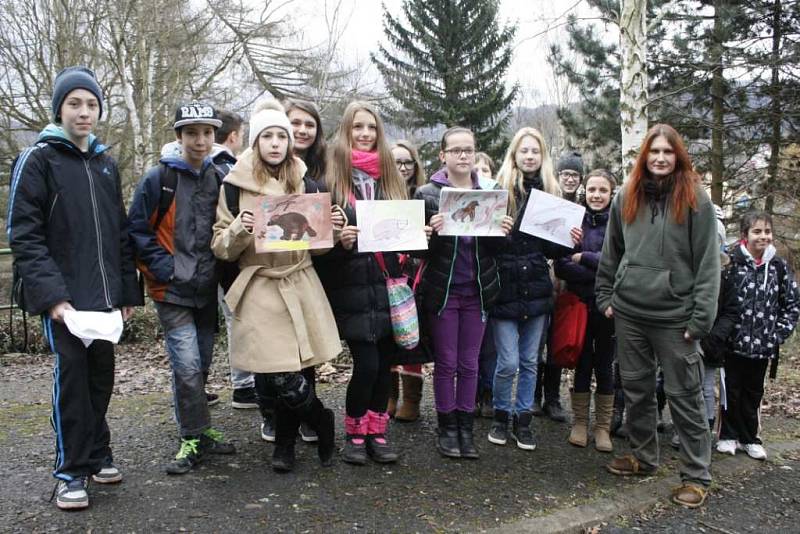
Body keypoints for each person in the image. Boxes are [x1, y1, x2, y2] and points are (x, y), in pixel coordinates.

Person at [7, 66, 141, 510]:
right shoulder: (39, 160)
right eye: (74, 103)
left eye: (91, 104)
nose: (84, 113)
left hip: (104, 303)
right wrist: (54, 299)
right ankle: (70, 471)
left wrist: (126, 294)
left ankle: (97, 450)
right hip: (65, 303)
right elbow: (24, 235)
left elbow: (120, 234)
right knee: (72, 382)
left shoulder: (105, 164)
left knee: (100, 381)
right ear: (59, 109)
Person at [211, 98, 343, 472]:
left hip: (300, 281)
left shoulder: (307, 182)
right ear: (255, 142)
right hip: (261, 286)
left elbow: (319, 249)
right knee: (276, 370)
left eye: (280, 136)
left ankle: (285, 445)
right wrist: (241, 227)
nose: (274, 143)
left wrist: (330, 227)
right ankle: (318, 419)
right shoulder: (233, 186)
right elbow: (221, 246)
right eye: (266, 136)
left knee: (300, 368)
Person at [595, 124, 721, 509]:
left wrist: (700, 319)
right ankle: (644, 457)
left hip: (676, 318)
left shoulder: (695, 198)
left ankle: (696, 475)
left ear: (678, 156)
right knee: (636, 390)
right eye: (654, 152)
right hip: (630, 311)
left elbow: (708, 264)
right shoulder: (625, 195)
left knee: (685, 397)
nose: (661, 158)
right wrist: (605, 294)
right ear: (644, 157)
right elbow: (611, 250)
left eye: (668, 152)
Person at [129, 101, 235, 475]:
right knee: (187, 365)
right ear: (179, 136)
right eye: (192, 133)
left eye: (207, 133)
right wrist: (164, 269)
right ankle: (190, 435)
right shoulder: (159, 179)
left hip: (206, 289)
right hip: (171, 290)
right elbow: (137, 230)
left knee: (202, 365)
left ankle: (200, 430)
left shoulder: (219, 177)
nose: (201, 140)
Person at [314, 101, 410, 465]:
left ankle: (378, 431)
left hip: (388, 288)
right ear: (347, 131)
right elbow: (318, 249)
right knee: (366, 364)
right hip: (351, 289)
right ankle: (355, 433)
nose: (365, 134)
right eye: (358, 127)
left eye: (371, 127)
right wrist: (340, 243)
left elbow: (405, 236)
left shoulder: (391, 180)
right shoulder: (331, 183)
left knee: (385, 365)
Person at [415, 127, 512, 459]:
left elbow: (498, 251)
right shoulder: (427, 193)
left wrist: (504, 233)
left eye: (468, 150)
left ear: (475, 154)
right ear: (443, 155)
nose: (462, 156)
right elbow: (418, 251)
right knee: (446, 362)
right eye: (455, 150)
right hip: (444, 290)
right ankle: (446, 427)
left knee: (470, 363)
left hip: (478, 290)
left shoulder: (490, 191)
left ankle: (466, 428)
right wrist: (434, 234)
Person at [490, 127, 580, 451]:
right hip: (505, 287)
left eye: (535, 152)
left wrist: (569, 240)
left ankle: (523, 417)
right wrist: (496, 232)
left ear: (543, 157)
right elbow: (485, 244)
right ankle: (501, 414)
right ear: (514, 155)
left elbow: (552, 252)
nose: (529, 156)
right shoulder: (498, 192)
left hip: (537, 288)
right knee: (508, 361)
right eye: (524, 151)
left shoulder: (551, 195)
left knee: (530, 360)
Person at [717, 211, 799, 460]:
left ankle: (750, 437)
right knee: (730, 391)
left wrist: (778, 334)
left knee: (753, 393)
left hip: (764, 346)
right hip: (733, 344)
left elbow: (792, 303)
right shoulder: (730, 262)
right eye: (757, 231)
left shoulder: (778, 267)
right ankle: (727, 436)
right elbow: (719, 300)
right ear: (745, 235)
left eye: (767, 231)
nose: (763, 236)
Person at [554, 169, 616, 452]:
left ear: (611, 193)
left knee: (605, 365)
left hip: (609, 307)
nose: (597, 195)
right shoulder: (574, 220)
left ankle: (602, 428)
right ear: (584, 191)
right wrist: (594, 266)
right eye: (592, 190)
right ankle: (579, 422)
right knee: (582, 362)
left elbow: (617, 265)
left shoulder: (619, 223)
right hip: (579, 304)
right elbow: (562, 264)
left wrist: (585, 257)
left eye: (602, 190)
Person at [209, 110, 260, 410]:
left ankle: (238, 384)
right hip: (233, 257)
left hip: (201, 262)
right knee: (238, 321)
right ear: (233, 136)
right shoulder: (234, 170)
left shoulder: (188, 162)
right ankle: (244, 384)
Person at [534, 150, 587, 422]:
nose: (569, 179)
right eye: (565, 174)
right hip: (544, 278)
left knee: (559, 339)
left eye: (574, 175)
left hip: (569, 283)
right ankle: (533, 396)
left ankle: (552, 398)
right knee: (538, 339)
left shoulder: (585, 208)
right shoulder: (548, 201)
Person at [387, 139, 428, 422]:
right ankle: (389, 396)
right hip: (385, 275)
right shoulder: (379, 195)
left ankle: (412, 400)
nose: (402, 167)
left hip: (415, 277)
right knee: (386, 340)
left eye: (407, 162)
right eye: (396, 162)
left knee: (413, 339)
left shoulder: (423, 196)